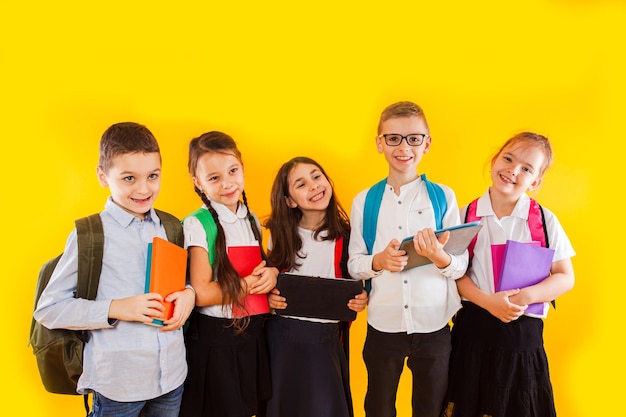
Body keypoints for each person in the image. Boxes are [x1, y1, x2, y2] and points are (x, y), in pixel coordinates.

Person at [34, 122, 196, 417]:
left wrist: (189, 295)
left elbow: (184, 282)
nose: (144, 188)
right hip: (118, 387)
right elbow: (49, 308)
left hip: (171, 377)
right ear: (103, 176)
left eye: (153, 176)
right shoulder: (92, 234)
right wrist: (117, 308)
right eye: (129, 178)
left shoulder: (172, 226)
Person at [348, 101, 468, 417]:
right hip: (383, 324)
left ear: (427, 143)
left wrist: (437, 255)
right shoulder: (364, 201)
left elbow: (460, 265)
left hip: (435, 325)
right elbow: (354, 263)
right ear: (379, 143)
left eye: (414, 138)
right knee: (378, 407)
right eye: (393, 138)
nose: (404, 147)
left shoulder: (443, 197)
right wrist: (379, 261)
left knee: (430, 408)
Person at [444, 132, 575, 417]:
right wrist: (488, 302)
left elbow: (565, 276)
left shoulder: (543, 220)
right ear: (494, 161)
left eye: (527, 169)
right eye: (508, 158)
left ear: (536, 182)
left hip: (521, 337)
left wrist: (525, 297)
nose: (513, 170)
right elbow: (455, 272)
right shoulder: (464, 215)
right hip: (472, 332)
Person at [179, 131, 277, 417]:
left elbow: (264, 270)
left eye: (233, 171)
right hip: (216, 342)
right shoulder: (198, 224)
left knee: (254, 407)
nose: (227, 183)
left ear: (243, 167)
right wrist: (246, 285)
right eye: (214, 178)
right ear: (197, 183)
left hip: (255, 335)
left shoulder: (252, 220)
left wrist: (271, 274)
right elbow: (202, 293)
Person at [263, 156, 368, 417]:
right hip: (282, 340)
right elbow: (267, 283)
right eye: (301, 184)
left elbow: (360, 283)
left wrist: (363, 298)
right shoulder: (278, 234)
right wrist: (269, 297)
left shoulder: (349, 237)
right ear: (289, 200)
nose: (313, 186)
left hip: (326, 342)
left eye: (317, 176)